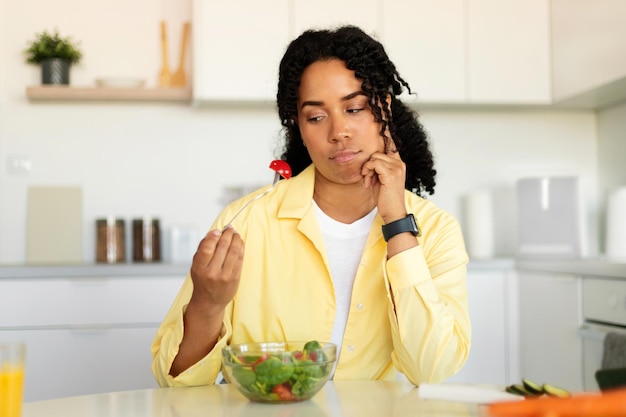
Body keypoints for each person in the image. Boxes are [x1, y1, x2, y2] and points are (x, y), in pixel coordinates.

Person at [151, 25, 470, 387]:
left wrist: (397, 221)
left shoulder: (436, 229)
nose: (338, 131)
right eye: (316, 117)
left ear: (385, 107)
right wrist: (207, 305)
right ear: (299, 128)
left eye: (354, 108)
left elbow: (431, 370)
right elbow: (176, 384)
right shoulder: (248, 222)